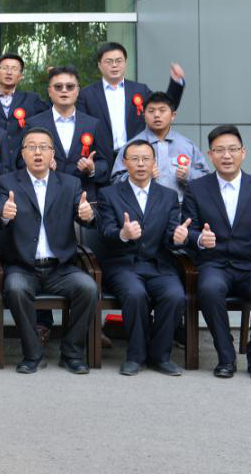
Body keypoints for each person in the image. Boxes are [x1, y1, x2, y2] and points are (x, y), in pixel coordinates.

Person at [0, 127, 99, 375]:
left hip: (60, 268)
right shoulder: (8, 182)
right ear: (22, 153)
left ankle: (71, 353)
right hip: (22, 266)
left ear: (52, 154)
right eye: (31, 147)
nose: (37, 152)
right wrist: (4, 215)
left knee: (88, 288)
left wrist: (88, 215)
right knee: (16, 289)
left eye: (43, 147)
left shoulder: (70, 183)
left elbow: (88, 217)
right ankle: (32, 355)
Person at [180, 125, 251, 380]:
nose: (226, 156)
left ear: (243, 153)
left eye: (232, 149)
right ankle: (225, 356)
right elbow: (188, 229)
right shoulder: (196, 188)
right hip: (214, 264)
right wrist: (200, 239)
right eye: (219, 150)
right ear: (210, 155)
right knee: (209, 289)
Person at [96, 140, 186, 376]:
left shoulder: (168, 196)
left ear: (154, 162)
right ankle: (136, 356)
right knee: (135, 294)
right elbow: (105, 231)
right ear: (125, 163)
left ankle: (161, 356)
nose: (140, 164)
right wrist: (123, 234)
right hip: (123, 265)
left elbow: (170, 235)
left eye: (146, 159)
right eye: (134, 159)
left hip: (158, 265)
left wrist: (177, 238)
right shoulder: (109, 194)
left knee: (175, 295)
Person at [20, 66, 112, 202]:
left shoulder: (93, 124)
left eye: (70, 86)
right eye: (58, 87)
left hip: (83, 197)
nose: (64, 90)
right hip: (45, 197)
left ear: (78, 91)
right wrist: (39, 164)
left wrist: (93, 168)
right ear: (49, 91)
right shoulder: (33, 124)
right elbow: (20, 161)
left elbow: (105, 163)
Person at [77, 41, 186, 154]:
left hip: (135, 156)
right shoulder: (86, 95)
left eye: (119, 61)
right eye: (109, 61)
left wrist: (176, 83)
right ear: (99, 65)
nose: (114, 65)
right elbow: (81, 129)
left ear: (125, 63)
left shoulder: (140, 90)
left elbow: (165, 106)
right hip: (100, 158)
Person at [109, 91, 210, 199]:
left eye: (162, 110)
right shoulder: (131, 147)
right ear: (144, 115)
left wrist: (188, 175)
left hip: (181, 207)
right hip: (143, 206)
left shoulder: (187, 145)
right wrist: (140, 177)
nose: (157, 115)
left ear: (173, 115)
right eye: (151, 111)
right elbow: (116, 181)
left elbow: (207, 180)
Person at [0, 52, 49, 135]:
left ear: (20, 76)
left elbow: (51, 114)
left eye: (14, 69)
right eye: (5, 68)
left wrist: (53, 76)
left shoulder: (32, 100)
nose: (9, 72)